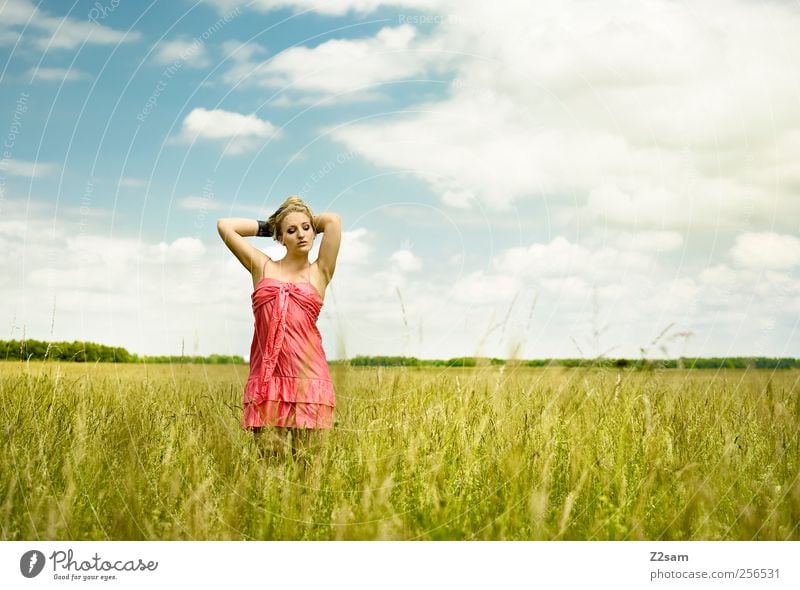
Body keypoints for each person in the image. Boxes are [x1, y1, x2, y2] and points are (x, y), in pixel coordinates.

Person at [217, 196, 342, 463]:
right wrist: (273, 225)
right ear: (280, 237)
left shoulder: (320, 272)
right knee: (268, 467)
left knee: (307, 468)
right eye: (291, 231)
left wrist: (298, 214)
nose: (301, 235)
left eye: (307, 228)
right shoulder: (262, 267)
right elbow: (225, 226)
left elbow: (332, 221)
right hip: (267, 381)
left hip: (309, 381)